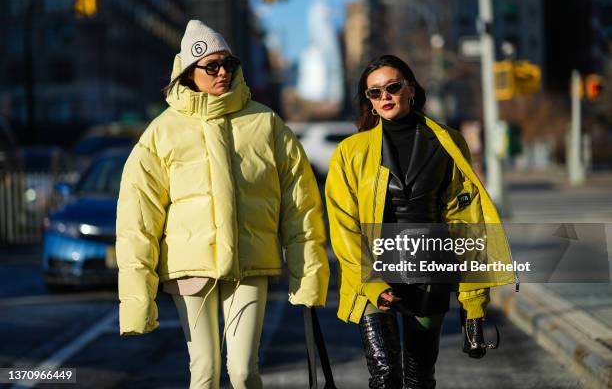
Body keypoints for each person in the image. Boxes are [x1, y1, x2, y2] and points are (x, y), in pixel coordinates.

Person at [116, 20, 329, 389]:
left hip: (250, 264)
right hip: (189, 269)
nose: (222, 73)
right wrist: (137, 297)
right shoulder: (162, 132)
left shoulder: (266, 123)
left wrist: (308, 274)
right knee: (204, 373)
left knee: (244, 373)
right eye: (211, 67)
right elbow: (137, 219)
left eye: (228, 65)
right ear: (188, 72)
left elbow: (301, 205)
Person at [325, 54, 514, 388]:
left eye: (392, 87)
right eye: (374, 92)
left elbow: (465, 221)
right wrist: (370, 283)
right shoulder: (350, 152)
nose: (384, 96)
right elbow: (343, 226)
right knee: (384, 376)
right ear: (368, 101)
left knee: (419, 378)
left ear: (410, 89)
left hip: (429, 271)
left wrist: (473, 303)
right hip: (372, 273)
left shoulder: (448, 142)